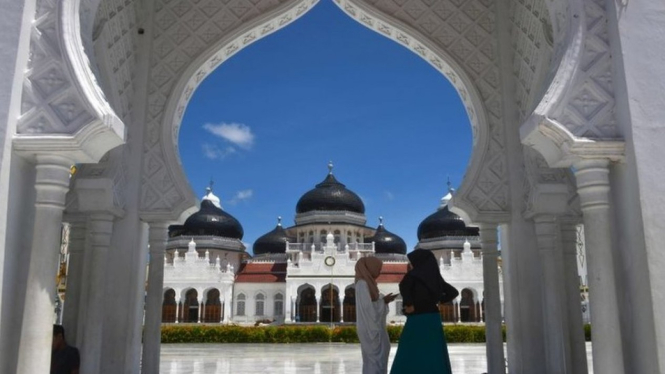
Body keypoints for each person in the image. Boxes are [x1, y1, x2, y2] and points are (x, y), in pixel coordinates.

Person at [390, 249, 459, 374]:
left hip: (417, 318)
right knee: (433, 349)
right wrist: (438, 300)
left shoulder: (412, 276)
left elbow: (404, 288)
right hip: (433, 317)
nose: (410, 264)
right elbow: (453, 292)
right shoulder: (435, 278)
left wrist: (410, 304)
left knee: (410, 348)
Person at [355, 256, 397, 374]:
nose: (379, 272)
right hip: (370, 328)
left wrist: (384, 300)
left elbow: (372, 304)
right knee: (373, 360)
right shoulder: (362, 284)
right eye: (378, 269)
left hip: (373, 326)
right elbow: (368, 309)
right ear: (370, 268)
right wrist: (384, 301)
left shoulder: (369, 284)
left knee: (378, 358)